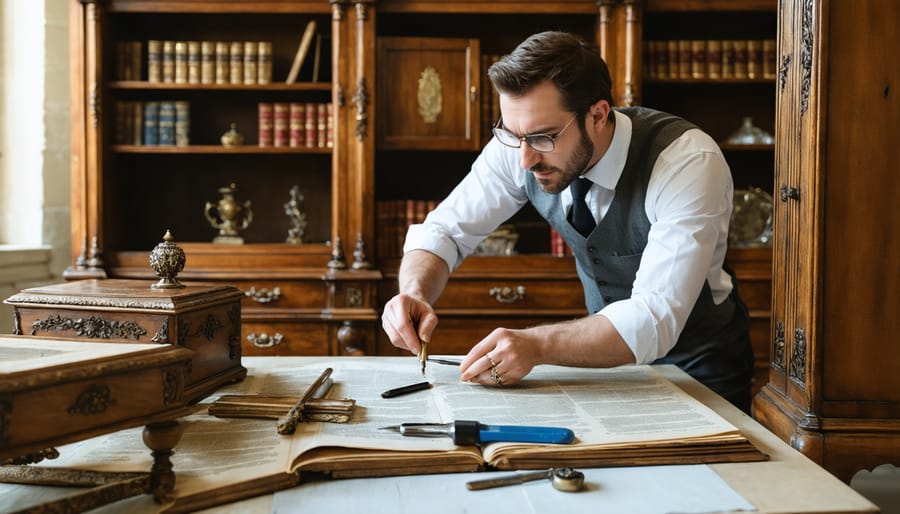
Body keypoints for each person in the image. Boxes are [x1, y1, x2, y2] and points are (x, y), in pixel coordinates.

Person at [380, 31, 755, 414]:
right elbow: (444, 230)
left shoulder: (686, 163)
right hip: (606, 369)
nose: (524, 159)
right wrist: (414, 291)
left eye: (544, 138)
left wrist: (537, 345)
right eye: (513, 134)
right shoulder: (523, 140)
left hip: (700, 371)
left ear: (598, 115)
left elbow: (653, 318)